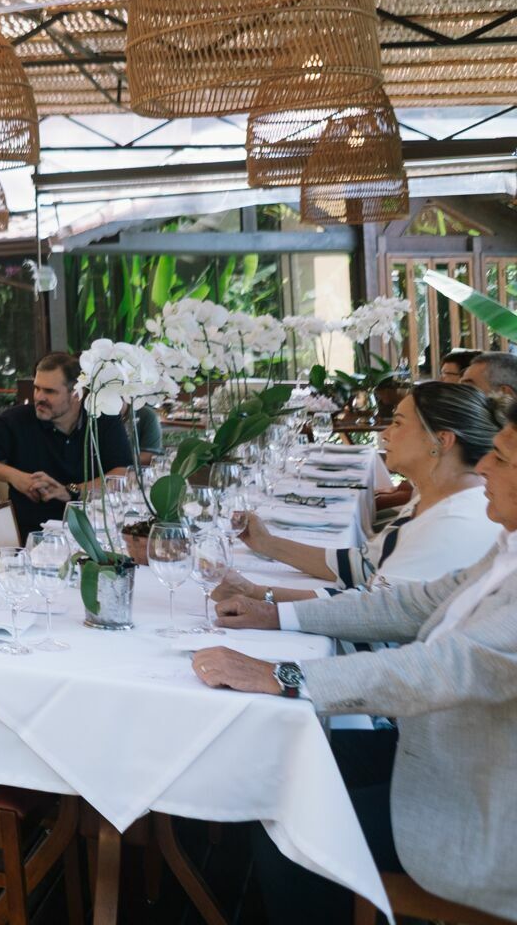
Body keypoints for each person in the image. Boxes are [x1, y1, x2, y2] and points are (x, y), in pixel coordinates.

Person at [190, 395, 517, 922]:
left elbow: (440, 668)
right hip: (434, 751)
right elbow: (409, 603)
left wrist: (284, 674)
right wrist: (276, 615)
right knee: (272, 762)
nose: (482, 468)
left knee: (290, 837)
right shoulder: (507, 549)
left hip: (482, 807)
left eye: (501, 458)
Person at [216, 381, 501, 602]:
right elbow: (363, 565)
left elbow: (378, 610)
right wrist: (267, 544)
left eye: (398, 423)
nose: (385, 434)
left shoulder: (455, 520)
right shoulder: (437, 495)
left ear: (442, 440)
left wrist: (259, 595)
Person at [0, 351, 135, 538]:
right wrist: (15, 477)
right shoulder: (18, 419)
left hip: (96, 531)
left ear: (76, 394)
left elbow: (123, 474)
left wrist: (70, 492)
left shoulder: (101, 419)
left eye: (49, 391)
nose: (39, 397)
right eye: (36, 388)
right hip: (35, 537)